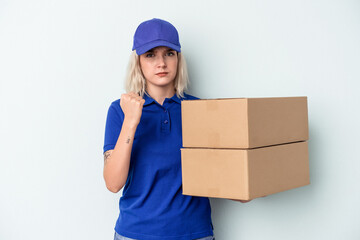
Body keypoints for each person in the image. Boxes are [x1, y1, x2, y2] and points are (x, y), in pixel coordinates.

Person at [103, 18, 215, 240]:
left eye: (169, 53)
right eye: (151, 54)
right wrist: (131, 121)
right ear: (139, 62)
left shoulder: (202, 110)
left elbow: (221, 172)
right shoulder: (120, 110)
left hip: (194, 232)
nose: (161, 63)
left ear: (178, 59)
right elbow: (113, 183)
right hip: (136, 233)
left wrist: (244, 186)